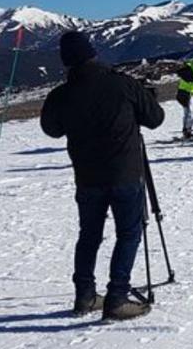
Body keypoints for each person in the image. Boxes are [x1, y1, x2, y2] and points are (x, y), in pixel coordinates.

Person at [41, 31, 165, 321]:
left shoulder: (61, 94)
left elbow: (52, 129)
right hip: (125, 173)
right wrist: (144, 97)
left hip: (87, 176)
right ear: (93, 53)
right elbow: (155, 119)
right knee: (129, 233)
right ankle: (117, 298)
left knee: (89, 236)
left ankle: (85, 296)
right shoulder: (122, 83)